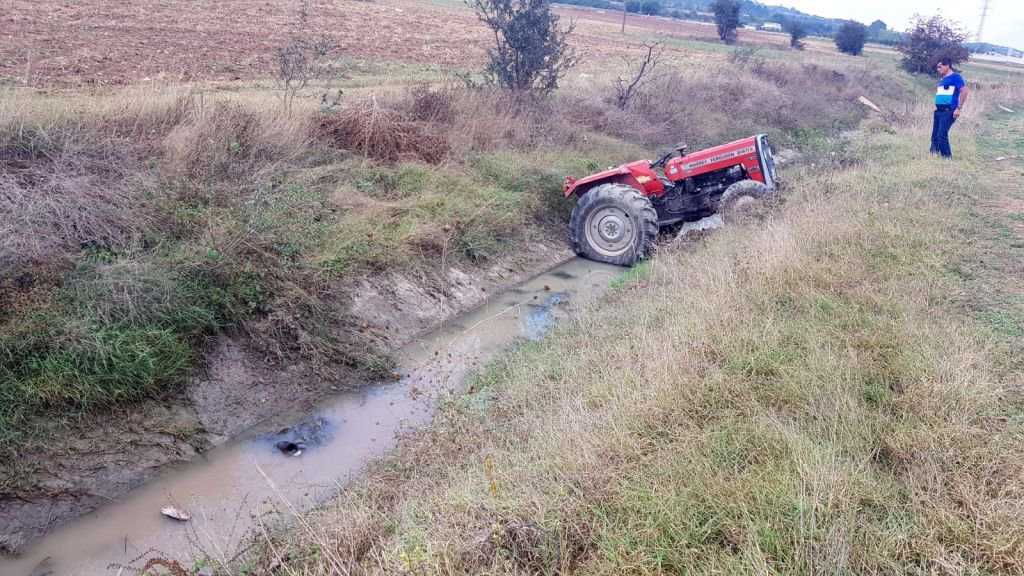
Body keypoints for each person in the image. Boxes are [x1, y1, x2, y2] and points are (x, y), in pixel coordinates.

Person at [931, 57, 969, 158]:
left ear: (947, 66)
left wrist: (958, 108)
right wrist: (935, 105)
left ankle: (947, 157)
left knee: (941, 135)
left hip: (948, 111)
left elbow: (964, 91)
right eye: (937, 67)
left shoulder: (955, 77)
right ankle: (933, 155)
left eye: (940, 67)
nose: (938, 69)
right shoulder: (943, 79)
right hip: (938, 111)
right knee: (935, 136)